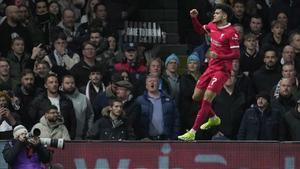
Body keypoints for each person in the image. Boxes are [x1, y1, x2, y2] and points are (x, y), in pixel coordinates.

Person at [178, 4, 240, 141]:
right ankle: (213, 117)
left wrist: (220, 57)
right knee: (196, 97)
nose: (214, 15)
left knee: (206, 99)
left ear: (224, 16)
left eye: (217, 13)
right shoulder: (212, 25)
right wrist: (194, 18)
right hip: (211, 68)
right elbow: (200, 30)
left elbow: (236, 54)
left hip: (222, 71)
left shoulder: (231, 32)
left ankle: (192, 132)